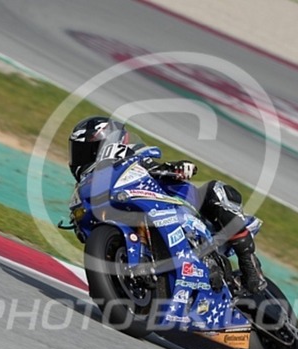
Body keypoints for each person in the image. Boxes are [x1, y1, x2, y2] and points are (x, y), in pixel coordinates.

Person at [68, 116, 265, 294]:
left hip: (178, 212)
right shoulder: (89, 187)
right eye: (77, 152)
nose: (80, 157)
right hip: (128, 215)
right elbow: (85, 233)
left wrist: (175, 168)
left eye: (84, 151)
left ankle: (250, 266)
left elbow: (159, 166)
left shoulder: (136, 163)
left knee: (214, 191)